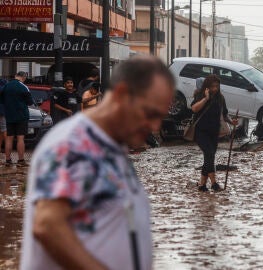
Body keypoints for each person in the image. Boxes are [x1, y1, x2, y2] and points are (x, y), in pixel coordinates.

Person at [20, 56, 174, 270]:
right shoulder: (73, 144)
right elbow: (47, 225)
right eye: (150, 113)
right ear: (121, 95)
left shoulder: (112, 148)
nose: (155, 125)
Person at [191, 74, 238, 192]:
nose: (215, 89)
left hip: (214, 132)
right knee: (209, 154)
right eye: (213, 86)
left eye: (217, 86)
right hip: (201, 132)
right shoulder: (200, 95)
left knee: (209, 157)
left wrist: (232, 121)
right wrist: (205, 99)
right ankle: (214, 183)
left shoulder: (220, 98)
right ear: (207, 86)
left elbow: (225, 113)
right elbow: (194, 108)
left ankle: (202, 184)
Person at [0, 71, 33, 167]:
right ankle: (21, 159)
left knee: (9, 138)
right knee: (20, 138)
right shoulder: (23, 87)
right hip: (21, 116)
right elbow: (30, 102)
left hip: (9, 116)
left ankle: (8, 159)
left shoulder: (6, 86)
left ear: (15, 76)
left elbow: (1, 100)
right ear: (24, 77)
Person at [0, 79, 7, 157]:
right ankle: (7, 147)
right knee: (4, 130)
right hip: (2, 112)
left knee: (1, 131)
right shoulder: (5, 90)